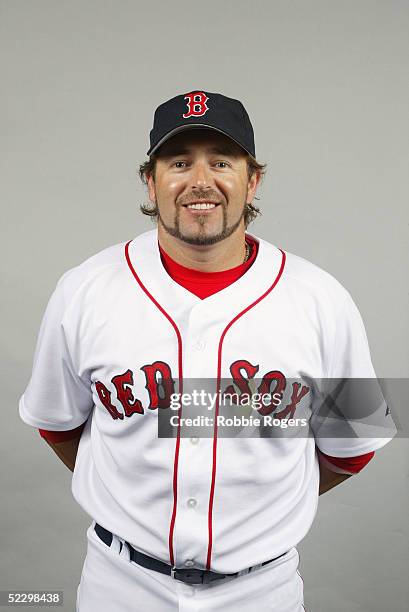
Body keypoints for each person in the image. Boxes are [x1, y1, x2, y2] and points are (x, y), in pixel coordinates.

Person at [19, 90, 396, 611]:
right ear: (150, 181)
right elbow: (56, 424)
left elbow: (352, 448)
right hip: (120, 586)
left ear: (253, 179)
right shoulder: (84, 289)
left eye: (222, 161)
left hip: (263, 590)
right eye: (179, 162)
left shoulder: (322, 299)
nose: (201, 181)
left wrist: (258, 518)